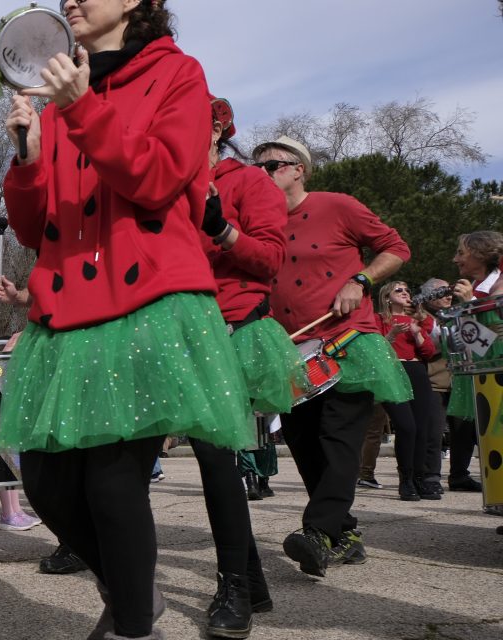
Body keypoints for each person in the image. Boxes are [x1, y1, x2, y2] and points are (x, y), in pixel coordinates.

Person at [0, 3, 253, 638]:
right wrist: (27, 159)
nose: (69, 3)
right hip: (64, 315)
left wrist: (83, 108)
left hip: (147, 304)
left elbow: (160, 178)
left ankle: (133, 625)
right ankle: (132, 591)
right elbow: (34, 229)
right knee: (47, 486)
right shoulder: (55, 104)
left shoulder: (179, 74)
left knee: (114, 484)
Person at [254, 134, 411, 578]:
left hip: (345, 342)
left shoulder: (337, 205)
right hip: (291, 349)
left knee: (338, 437)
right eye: (257, 167)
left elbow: (397, 248)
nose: (262, 174)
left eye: (273, 166)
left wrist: (359, 280)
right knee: (304, 444)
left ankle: (317, 532)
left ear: (299, 168)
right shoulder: (257, 222)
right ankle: (345, 534)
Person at [190, 95, 294, 636]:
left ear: (216, 129)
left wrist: (220, 229)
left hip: (229, 329)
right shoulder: (159, 184)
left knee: (215, 456)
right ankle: (251, 584)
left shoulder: (250, 182)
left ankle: (233, 584)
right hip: (172, 331)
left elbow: (270, 259)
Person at [0, 278, 91, 578]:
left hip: (94, 338)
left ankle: (88, 547)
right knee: (38, 477)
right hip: (49, 340)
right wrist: (21, 297)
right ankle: (78, 539)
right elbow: (55, 282)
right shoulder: (51, 237)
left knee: (99, 467)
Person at [445, 232, 503, 489]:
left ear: (479, 254)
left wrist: (470, 304)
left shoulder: (498, 284)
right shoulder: (480, 286)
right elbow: (476, 342)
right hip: (484, 375)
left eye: (460, 252)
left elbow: (495, 338)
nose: (455, 258)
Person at [375, 281, 442, 500]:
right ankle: (406, 479)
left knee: (422, 428)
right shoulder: (379, 320)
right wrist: (392, 334)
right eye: (399, 290)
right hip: (393, 371)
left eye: (407, 290)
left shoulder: (418, 320)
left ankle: (419, 479)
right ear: (387, 297)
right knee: (407, 427)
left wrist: (417, 334)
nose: (405, 293)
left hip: (417, 371)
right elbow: (376, 352)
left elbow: (429, 352)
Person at [420, 278, 482, 492]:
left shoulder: (456, 312)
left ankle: (459, 475)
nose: (448, 296)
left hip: (460, 381)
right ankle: (430, 477)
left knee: (464, 431)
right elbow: (429, 346)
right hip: (434, 381)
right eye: (441, 292)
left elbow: (476, 340)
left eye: (449, 292)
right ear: (428, 296)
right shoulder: (420, 316)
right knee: (433, 433)